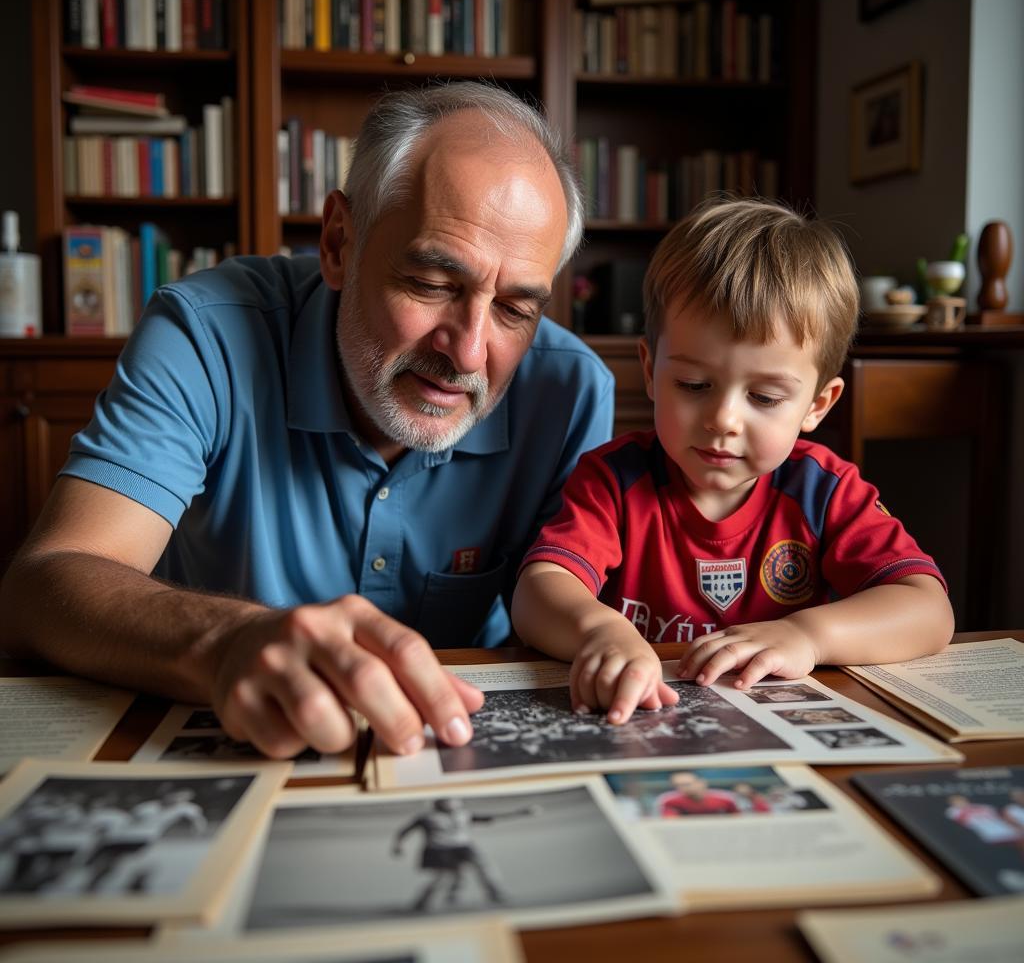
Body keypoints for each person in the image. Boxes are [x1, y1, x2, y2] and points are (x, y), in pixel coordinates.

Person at [0, 82, 614, 759]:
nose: (468, 352)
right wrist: (227, 641)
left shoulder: (571, 391)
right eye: (433, 284)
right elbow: (44, 583)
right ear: (338, 242)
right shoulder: (204, 334)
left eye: (515, 310)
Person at [512, 198, 953, 724]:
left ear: (818, 404)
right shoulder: (613, 479)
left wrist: (807, 636)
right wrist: (600, 631)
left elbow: (929, 610)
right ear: (650, 371)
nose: (723, 419)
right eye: (694, 385)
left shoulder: (824, 490)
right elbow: (538, 591)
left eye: (765, 398)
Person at [391, 796, 537, 912]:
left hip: (463, 846)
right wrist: (398, 845)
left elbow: (490, 818)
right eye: (446, 800)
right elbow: (404, 831)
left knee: (484, 867)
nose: (451, 803)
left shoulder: (463, 815)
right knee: (444, 877)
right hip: (439, 849)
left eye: (453, 800)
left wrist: (520, 813)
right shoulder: (427, 817)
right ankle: (422, 903)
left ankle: (496, 894)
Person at [654, 771, 740, 817]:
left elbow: (739, 820)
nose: (682, 788)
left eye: (686, 784)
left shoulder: (726, 799)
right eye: (677, 785)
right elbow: (669, 825)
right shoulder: (669, 801)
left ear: (701, 782)